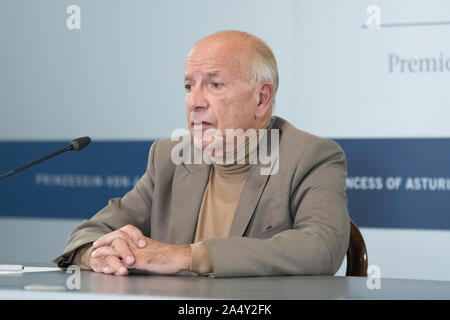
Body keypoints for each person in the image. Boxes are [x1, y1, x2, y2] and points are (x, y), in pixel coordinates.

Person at [53, 30, 350, 277]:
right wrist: (98, 254)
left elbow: (321, 248)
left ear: (261, 99)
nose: (194, 101)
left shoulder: (311, 156)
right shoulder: (170, 157)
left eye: (215, 84)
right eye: (188, 86)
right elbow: (91, 231)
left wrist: (186, 256)